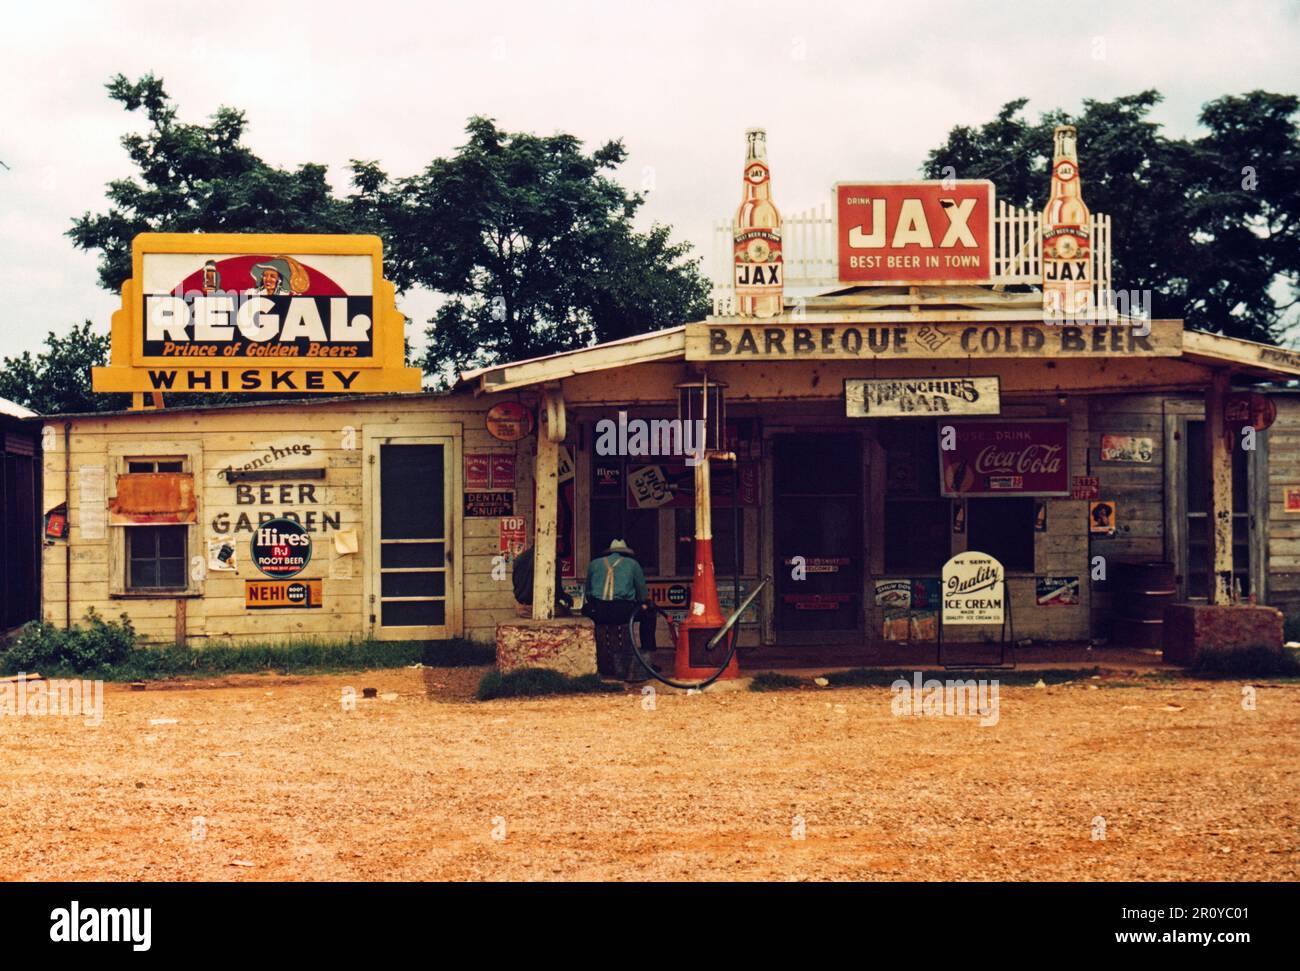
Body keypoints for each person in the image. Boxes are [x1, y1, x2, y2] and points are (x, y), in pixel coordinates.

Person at [582, 539, 656, 681]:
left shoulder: (594, 564)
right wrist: (644, 604)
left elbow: (588, 593)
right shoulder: (633, 564)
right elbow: (642, 594)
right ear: (625, 553)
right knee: (649, 614)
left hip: (599, 611)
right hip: (623, 611)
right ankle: (647, 652)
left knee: (587, 611)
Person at [510, 546, 573, 616]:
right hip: (544, 608)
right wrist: (566, 597)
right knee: (568, 613)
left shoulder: (519, 559)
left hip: (522, 608)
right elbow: (556, 591)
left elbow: (516, 585)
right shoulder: (553, 559)